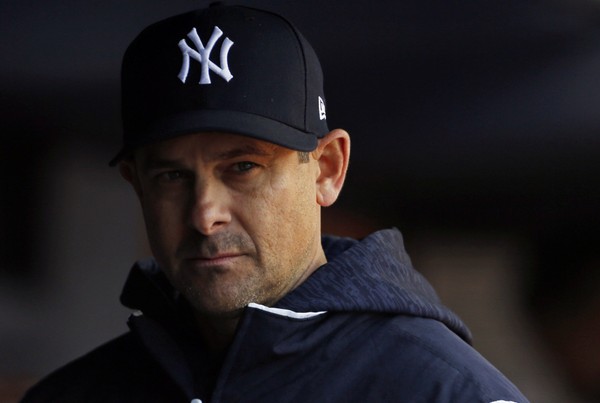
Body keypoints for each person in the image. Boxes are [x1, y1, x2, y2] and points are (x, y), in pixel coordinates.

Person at [22, 4, 528, 402]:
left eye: (243, 167)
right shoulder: (73, 394)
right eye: (173, 175)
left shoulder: (444, 392)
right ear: (137, 185)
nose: (204, 214)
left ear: (327, 170)